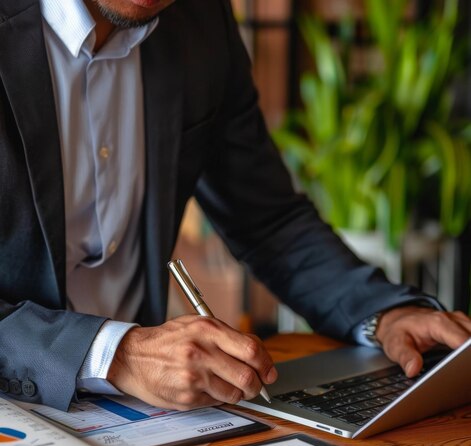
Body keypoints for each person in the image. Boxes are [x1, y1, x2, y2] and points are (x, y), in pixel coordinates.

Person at [0, 0, 470, 412]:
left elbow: (270, 220)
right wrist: (115, 354)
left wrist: (383, 313)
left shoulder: (199, 21)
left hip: (148, 416)